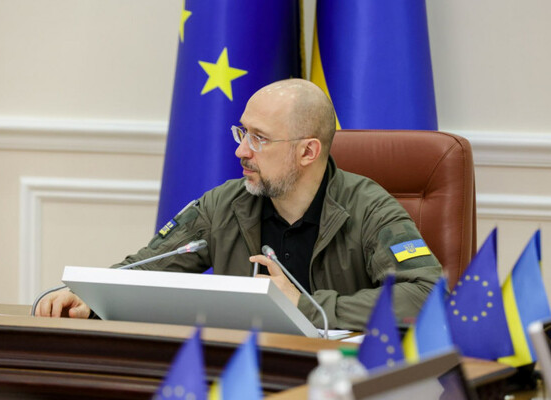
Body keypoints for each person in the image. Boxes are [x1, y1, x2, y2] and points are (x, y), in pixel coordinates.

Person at [35, 79, 441, 331]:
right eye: (242, 132)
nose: (241, 150)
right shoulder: (223, 205)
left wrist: (305, 306)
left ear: (307, 151)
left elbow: (427, 295)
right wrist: (94, 296)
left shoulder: (370, 209)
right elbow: (147, 267)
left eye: (259, 139)